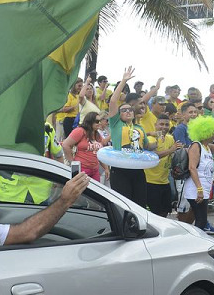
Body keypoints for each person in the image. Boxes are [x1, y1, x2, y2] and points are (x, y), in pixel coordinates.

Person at [106, 69, 157, 208]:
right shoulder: (116, 124)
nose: (127, 111)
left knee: (139, 205)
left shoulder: (140, 129)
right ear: (119, 114)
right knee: (123, 206)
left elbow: (147, 147)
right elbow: (113, 101)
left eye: (130, 110)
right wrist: (124, 81)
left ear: (134, 114)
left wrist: (159, 141)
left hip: (137, 170)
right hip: (120, 170)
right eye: (124, 110)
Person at [144, 113, 178, 216]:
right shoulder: (151, 139)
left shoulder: (170, 138)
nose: (164, 127)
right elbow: (154, 155)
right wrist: (171, 150)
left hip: (165, 181)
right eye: (161, 124)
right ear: (155, 125)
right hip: (150, 182)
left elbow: (173, 155)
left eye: (167, 125)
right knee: (153, 214)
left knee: (165, 212)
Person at [62, 112, 105, 181]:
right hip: (82, 169)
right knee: (81, 191)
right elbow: (65, 145)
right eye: (97, 121)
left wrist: (105, 168)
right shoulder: (80, 131)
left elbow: (100, 152)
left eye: (100, 121)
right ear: (90, 121)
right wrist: (72, 163)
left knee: (94, 191)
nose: (99, 123)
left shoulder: (97, 134)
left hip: (95, 170)